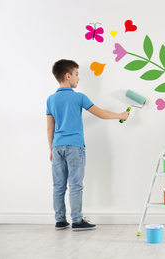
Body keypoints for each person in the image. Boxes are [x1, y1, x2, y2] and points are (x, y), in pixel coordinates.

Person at [46, 59, 130, 231]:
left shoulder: (51, 99)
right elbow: (101, 113)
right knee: (75, 185)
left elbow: (50, 127)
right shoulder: (79, 97)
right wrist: (120, 115)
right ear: (68, 76)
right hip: (75, 147)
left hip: (57, 147)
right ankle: (77, 220)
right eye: (77, 74)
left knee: (58, 186)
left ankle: (60, 220)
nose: (79, 78)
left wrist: (51, 149)